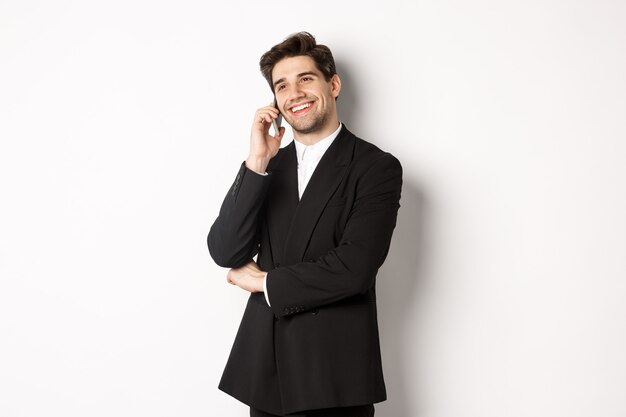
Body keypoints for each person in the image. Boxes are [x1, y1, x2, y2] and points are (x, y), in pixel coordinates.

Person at [207, 32, 402, 417]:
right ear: (275, 102)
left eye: (306, 79)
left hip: (333, 377)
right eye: (282, 86)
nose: (294, 92)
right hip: (267, 374)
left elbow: (353, 270)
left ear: (333, 84)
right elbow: (225, 250)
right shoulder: (267, 167)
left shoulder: (375, 167)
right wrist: (256, 161)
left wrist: (263, 282)